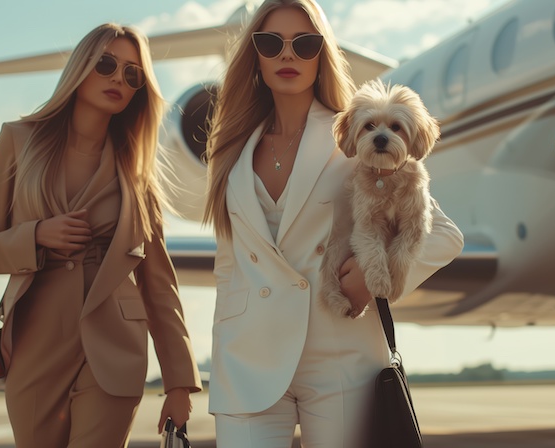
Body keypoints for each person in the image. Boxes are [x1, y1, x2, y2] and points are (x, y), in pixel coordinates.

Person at [162, 1, 463, 447]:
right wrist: (213, 371)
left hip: (340, 355)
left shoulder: (355, 136)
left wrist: (374, 278)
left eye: (304, 44)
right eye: (271, 43)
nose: (288, 54)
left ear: (322, 53)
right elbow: (229, 268)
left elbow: (443, 235)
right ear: (255, 56)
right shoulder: (230, 150)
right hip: (249, 361)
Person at [0, 23, 202, 448]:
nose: (118, 79)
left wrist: (179, 383)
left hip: (115, 351)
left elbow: (159, 284)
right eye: (107, 64)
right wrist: (36, 235)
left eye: (132, 75)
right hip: (37, 345)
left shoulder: (138, 173)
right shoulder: (18, 141)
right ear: (80, 67)